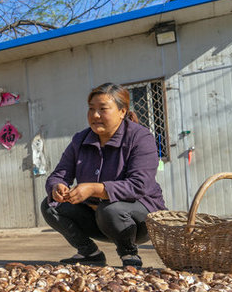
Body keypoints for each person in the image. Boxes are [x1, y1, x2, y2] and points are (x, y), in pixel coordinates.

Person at [42, 82, 165, 268]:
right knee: (51, 205)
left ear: (122, 112)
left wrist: (94, 188)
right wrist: (57, 186)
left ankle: (129, 254)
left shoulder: (140, 137)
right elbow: (59, 174)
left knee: (110, 209)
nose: (95, 115)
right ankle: (89, 253)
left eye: (103, 109)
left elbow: (139, 185)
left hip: (139, 219)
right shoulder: (80, 140)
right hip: (98, 218)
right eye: (91, 109)